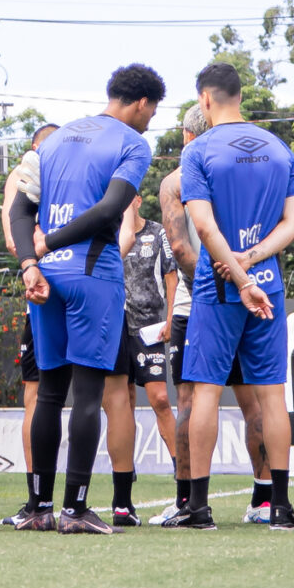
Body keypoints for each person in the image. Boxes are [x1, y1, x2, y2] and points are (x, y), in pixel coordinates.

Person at [8, 62, 166, 533]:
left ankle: (38, 508)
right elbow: (110, 210)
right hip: (92, 275)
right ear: (141, 103)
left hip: (47, 280)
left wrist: (29, 263)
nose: (149, 121)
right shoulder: (133, 143)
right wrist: (50, 245)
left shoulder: (54, 139)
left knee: (50, 395)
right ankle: (75, 511)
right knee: (89, 396)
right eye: (151, 112)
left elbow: (18, 206)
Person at [168, 61, 294, 532]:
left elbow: (203, 226)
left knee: (206, 389)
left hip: (220, 286)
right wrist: (253, 260)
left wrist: (237, 274)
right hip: (267, 283)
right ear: (239, 96)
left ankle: (199, 509)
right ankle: (281, 508)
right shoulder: (280, 148)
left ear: (205, 100)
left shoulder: (198, 151)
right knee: (272, 394)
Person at [0, 123, 56, 477]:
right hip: (40, 288)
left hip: (76, 285)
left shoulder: (74, 170)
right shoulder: (23, 173)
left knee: (107, 392)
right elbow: (11, 237)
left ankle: (118, 498)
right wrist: (38, 255)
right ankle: (37, 491)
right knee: (35, 393)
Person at [119, 204, 176, 496]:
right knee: (123, 400)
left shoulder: (157, 233)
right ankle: (125, 469)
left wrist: (169, 319)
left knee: (160, 398)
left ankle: (182, 466)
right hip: (118, 327)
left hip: (150, 327)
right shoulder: (112, 234)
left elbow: (171, 277)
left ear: (138, 200)